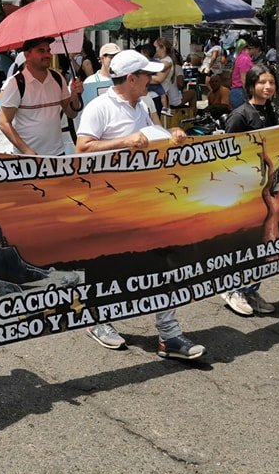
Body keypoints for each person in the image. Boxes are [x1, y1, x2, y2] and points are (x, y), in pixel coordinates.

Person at [75, 49, 206, 359]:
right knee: (113, 264)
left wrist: (171, 134)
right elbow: (82, 149)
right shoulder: (99, 107)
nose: (153, 79)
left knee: (165, 261)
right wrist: (124, 141)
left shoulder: (144, 105)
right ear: (131, 79)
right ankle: (99, 319)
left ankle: (169, 335)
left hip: (148, 199)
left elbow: (153, 135)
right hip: (110, 203)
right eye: (146, 75)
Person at [220, 64, 279, 316]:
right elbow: (226, 153)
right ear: (251, 86)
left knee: (262, 243)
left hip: (264, 188)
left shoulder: (270, 112)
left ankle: (251, 289)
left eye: (271, 83)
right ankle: (233, 288)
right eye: (262, 82)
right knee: (242, 241)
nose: (267, 87)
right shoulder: (240, 115)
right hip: (242, 189)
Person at [0, 36, 83, 156]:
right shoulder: (16, 83)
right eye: (41, 51)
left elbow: (71, 113)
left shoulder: (58, 78)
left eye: (48, 50)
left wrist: (74, 95)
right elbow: (3, 122)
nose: (47, 55)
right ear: (27, 55)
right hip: (27, 159)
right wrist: (26, 150)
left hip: (57, 155)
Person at [229, 38, 255, 109]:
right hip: (240, 92)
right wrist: (249, 95)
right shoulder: (244, 59)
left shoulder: (241, 57)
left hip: (238, 91)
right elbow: (243, 79)